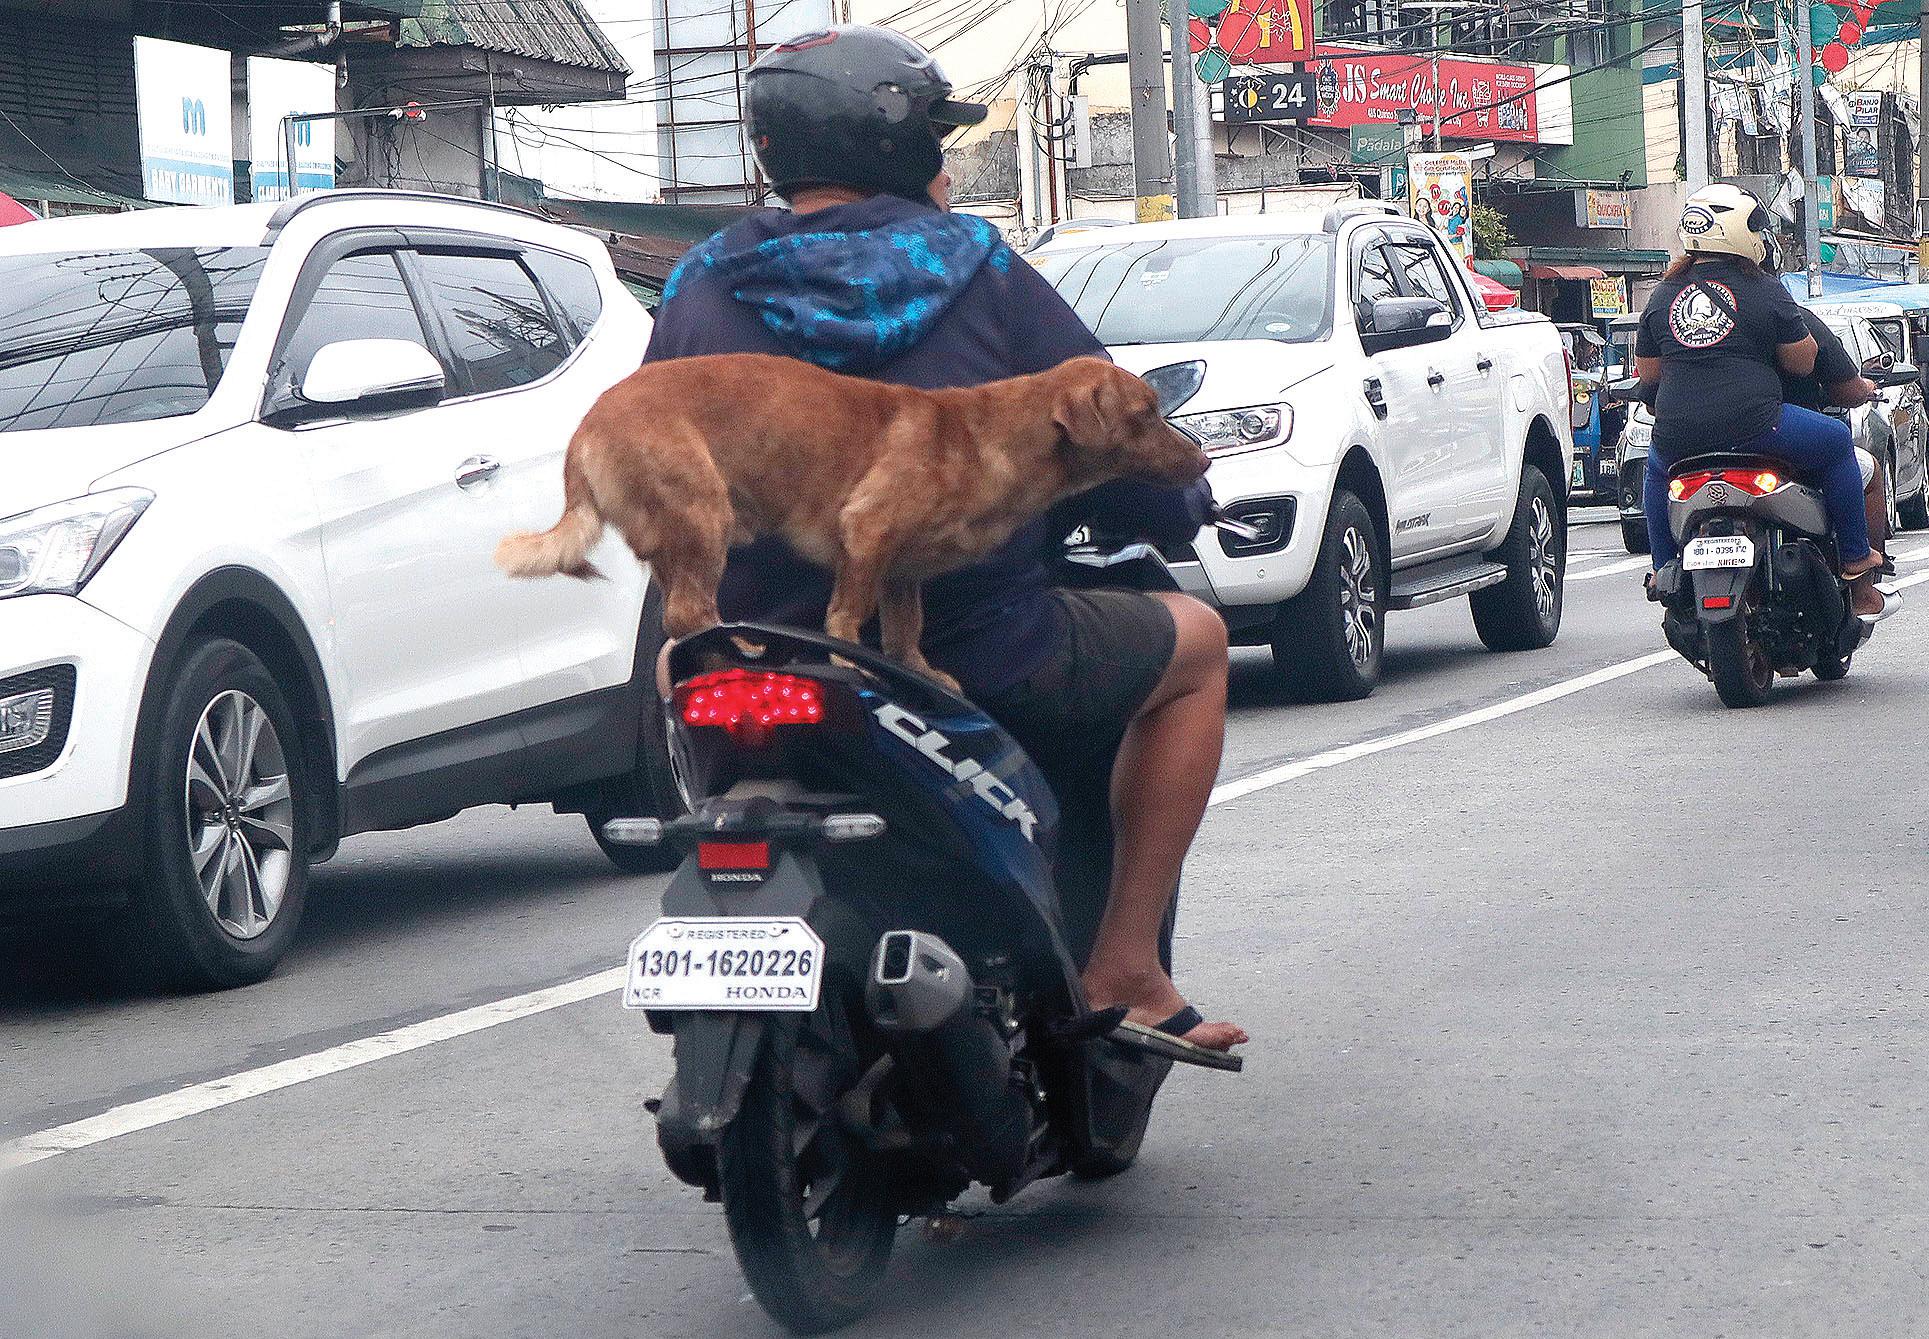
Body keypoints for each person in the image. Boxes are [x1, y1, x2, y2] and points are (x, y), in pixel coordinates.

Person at [643, 25, 1246, 1055]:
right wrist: (1177, 502)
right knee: (1198, 646)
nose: (948, 167)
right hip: (969, 651)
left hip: (755, 656)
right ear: (901, 146)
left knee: (683, 667)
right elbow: (1108, 426)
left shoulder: (697, 285)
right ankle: (1127, 968)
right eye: (938, 138)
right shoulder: (977, 269)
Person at [1634, 184, 1887, 615]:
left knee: (1656, 472)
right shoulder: (1764, 289)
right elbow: (1803, 363)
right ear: (1742, 232)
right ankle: (1855, 560)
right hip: (1758, 427)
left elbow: (1648, 374)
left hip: (1678, 436)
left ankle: (1662, 568)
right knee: (1836, 442)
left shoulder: (1662, 294)